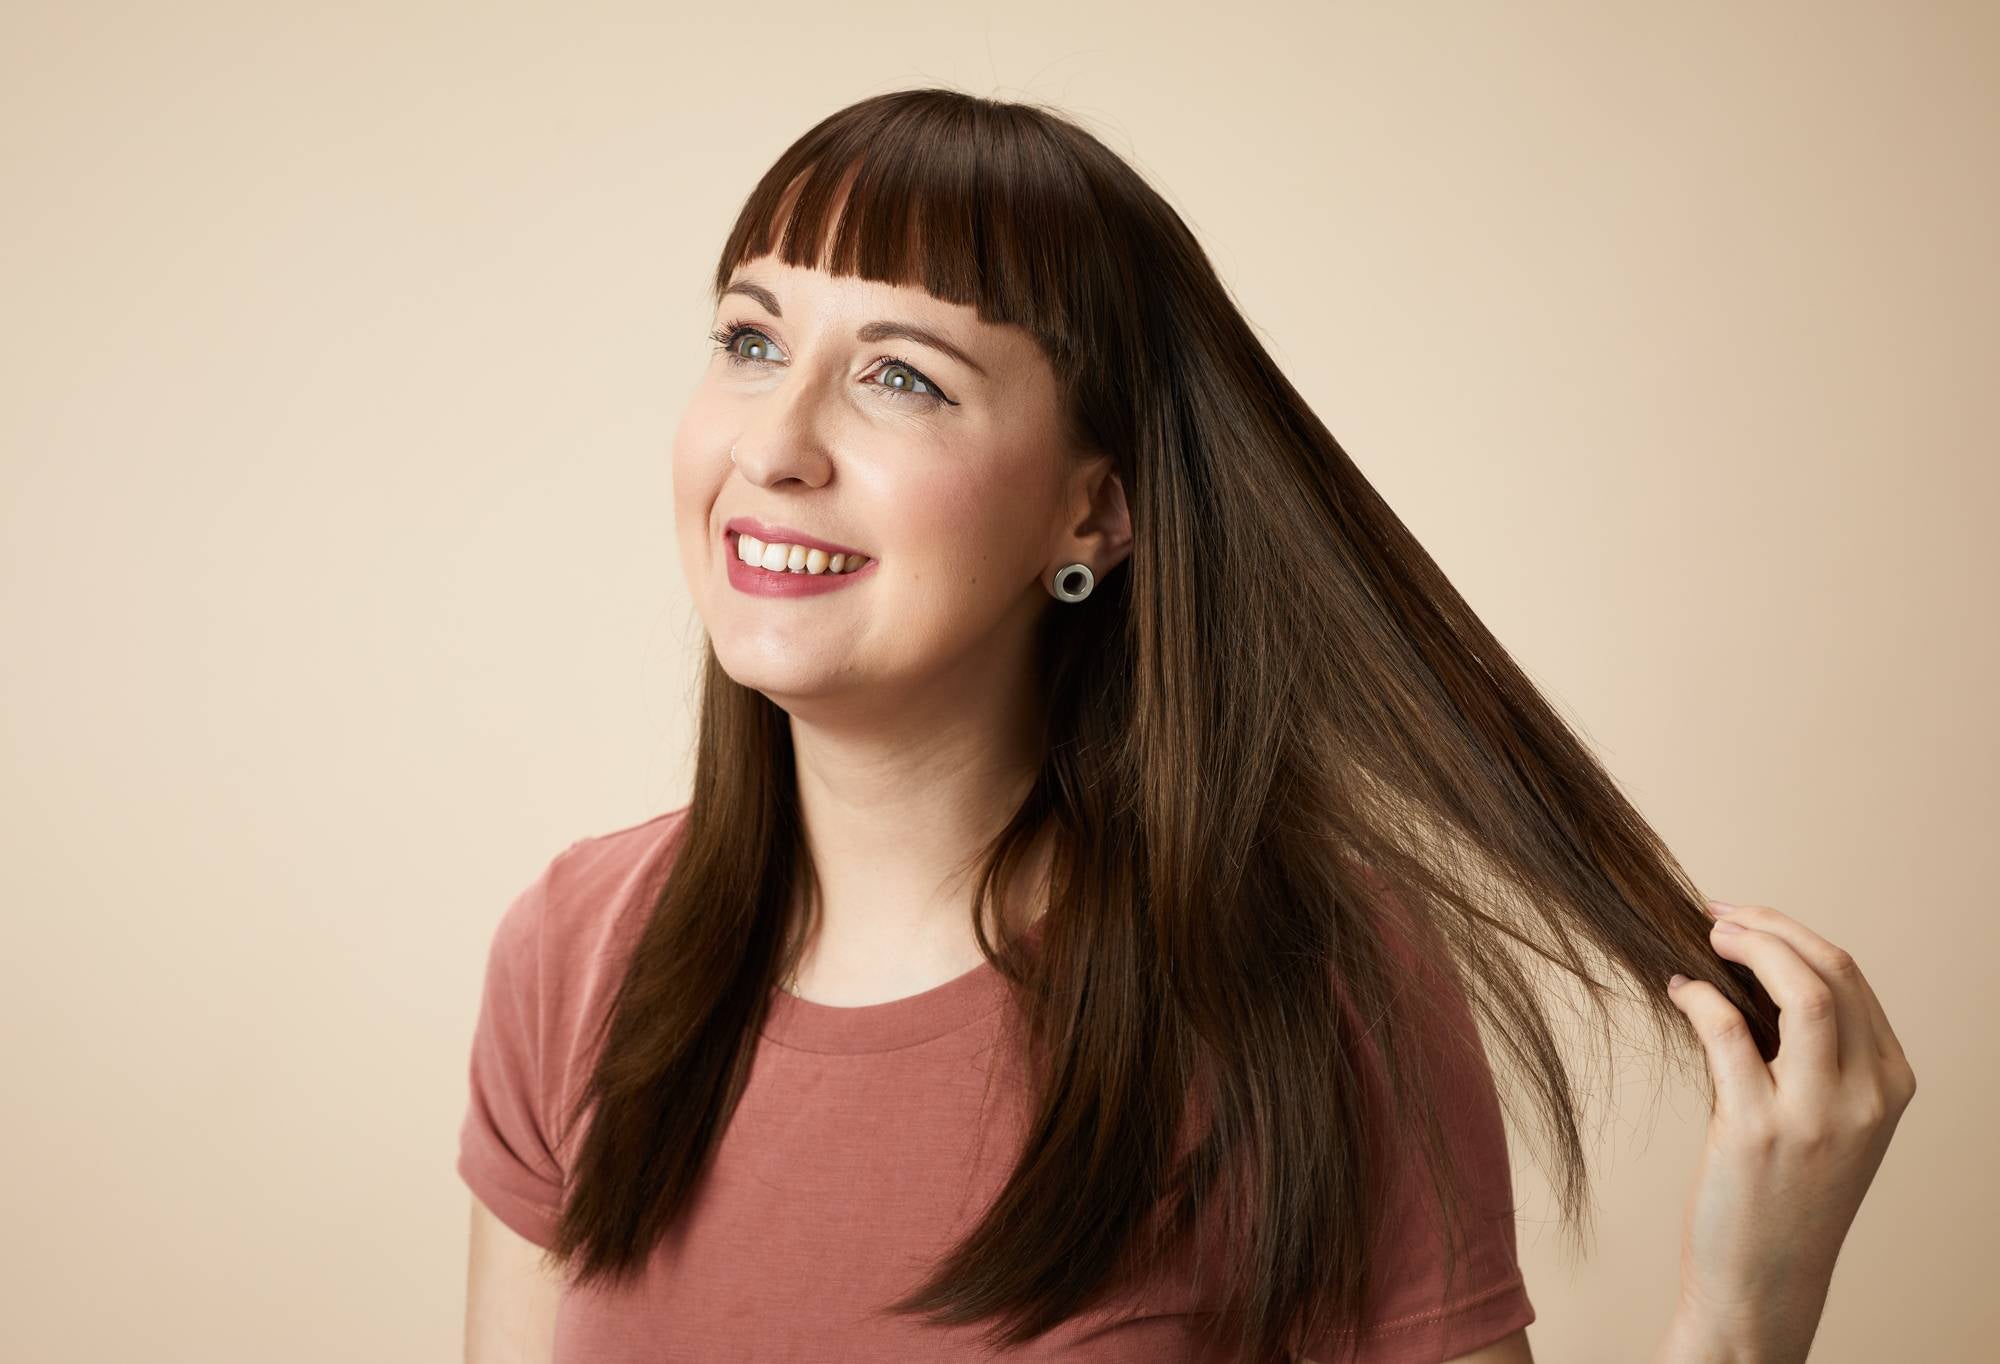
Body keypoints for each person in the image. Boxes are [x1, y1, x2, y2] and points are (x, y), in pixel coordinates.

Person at [459, 88, 1916, 1363]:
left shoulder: (1300, 991)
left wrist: (1745, 1317)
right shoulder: (573, 951)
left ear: (1092, 512)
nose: (773, 445)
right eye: (748, 339)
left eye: (902, 375)